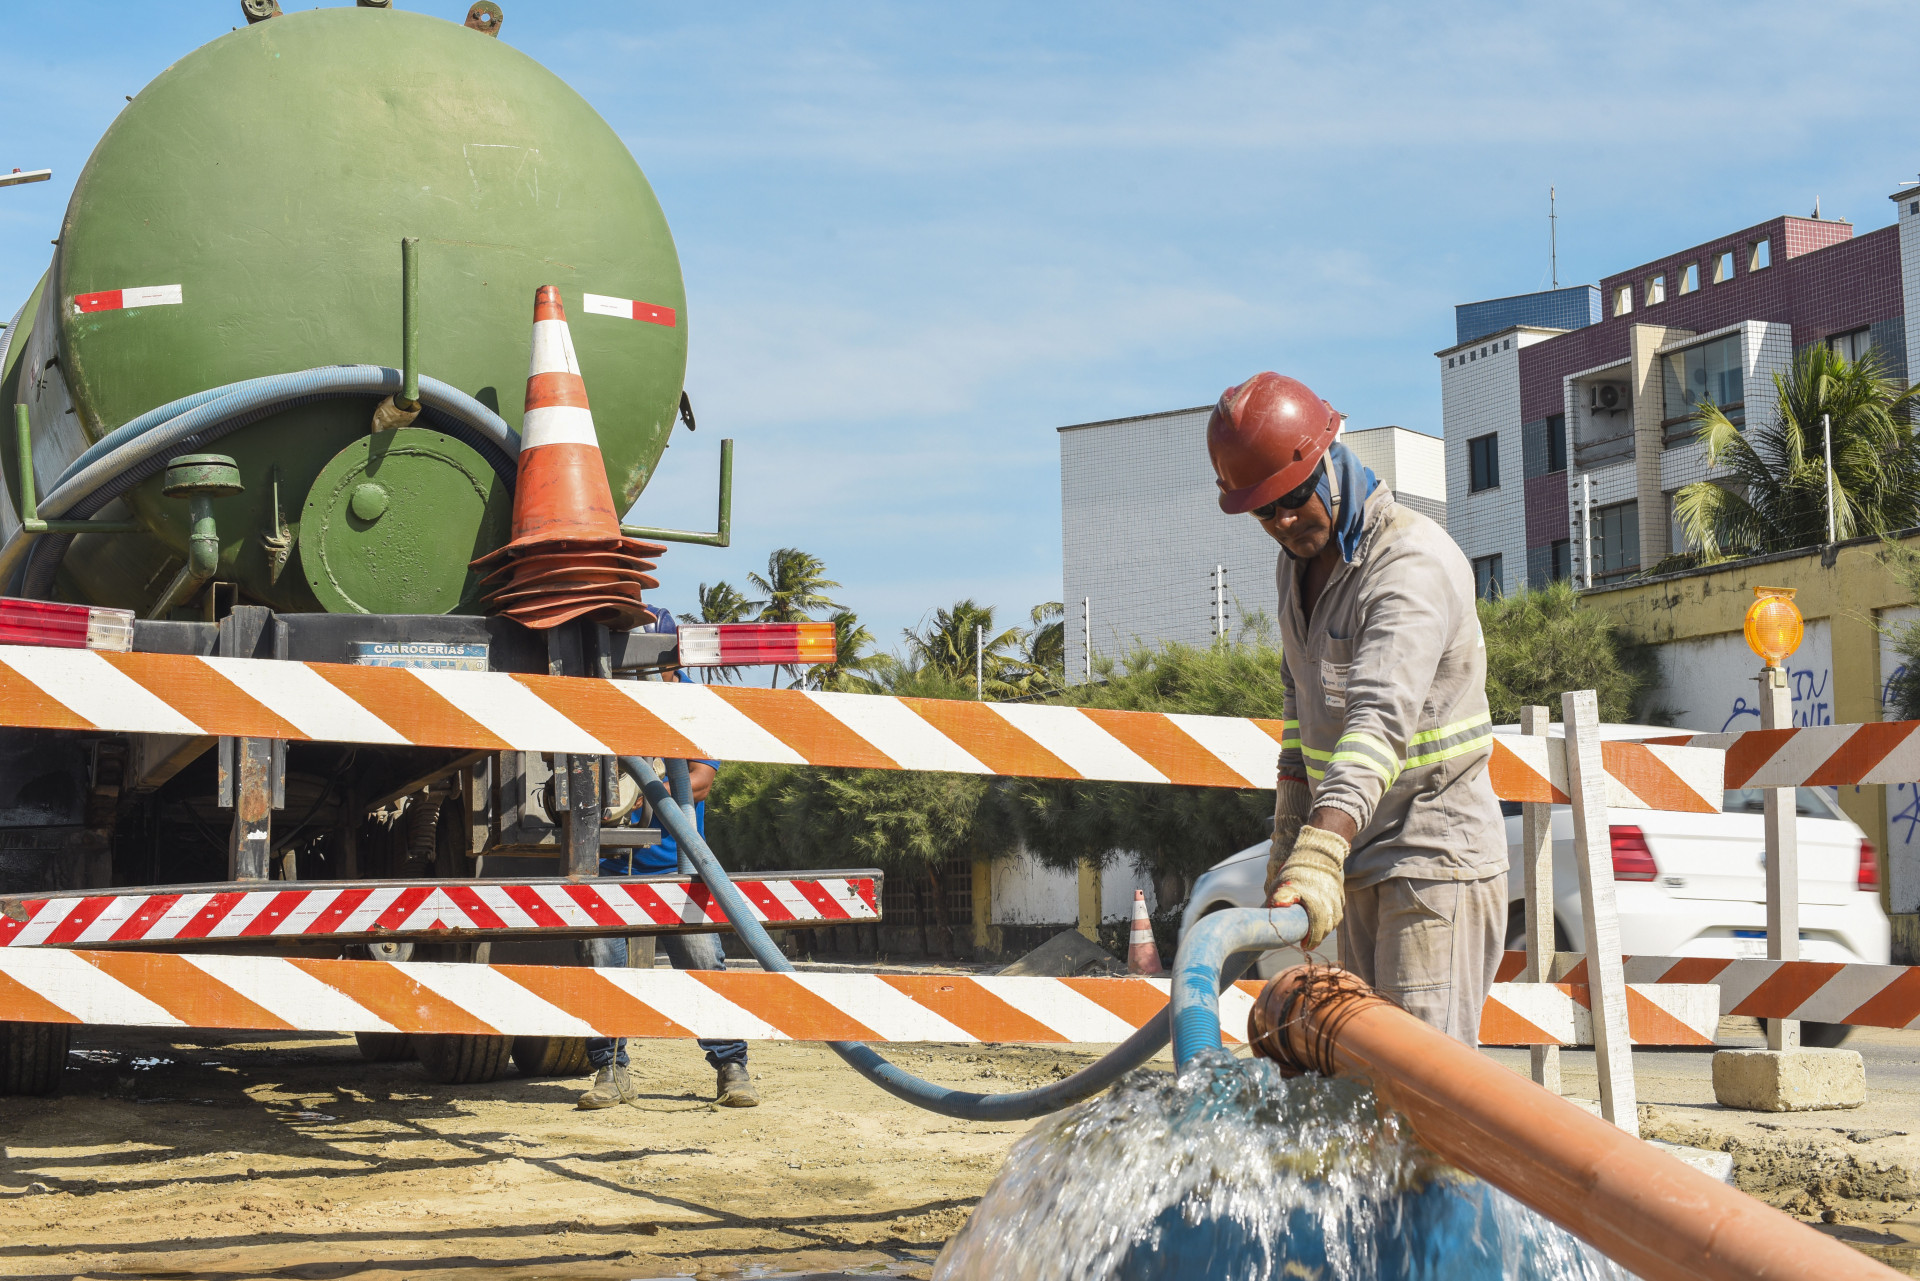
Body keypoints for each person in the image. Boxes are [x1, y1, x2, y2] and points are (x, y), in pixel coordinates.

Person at [1207, 371, 1507, 1045]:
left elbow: (1376, 723)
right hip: (1361, 855)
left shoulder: (1408, 565)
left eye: (1290, 499)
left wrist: (1321, 847)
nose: (1283, 522)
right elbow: (1300, 712)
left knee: (1422, 1089)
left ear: (1327, 459)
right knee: (1369, 1075)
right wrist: (1291, 837)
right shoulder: (1297, 565)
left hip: (1433, 858)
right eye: (1263, 513)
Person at [577, 608, 760, 1109]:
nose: (643, 675)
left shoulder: (692, 706)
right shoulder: (607, 703)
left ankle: (731, 1068)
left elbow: (699, 779)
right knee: (602, 962)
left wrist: (644, 782)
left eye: (649, 663)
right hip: (612, 866)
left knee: (703, 962)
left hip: (678, 864)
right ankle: (610, 1073)